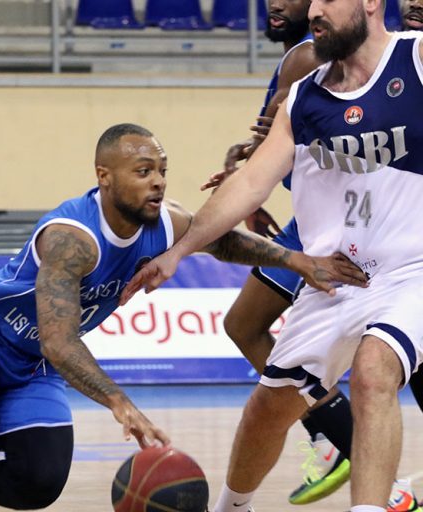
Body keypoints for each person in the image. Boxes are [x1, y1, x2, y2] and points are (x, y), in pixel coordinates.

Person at [0, 123, 367, 512]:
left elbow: (222, 240)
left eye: (162, 170)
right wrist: (119, 403)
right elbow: (59, 342)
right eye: (143, 172)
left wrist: (298, 260)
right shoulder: (71, 239)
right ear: (104, 177)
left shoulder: (166, 223)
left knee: (37, 485)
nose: (158, 182)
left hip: (32, 365)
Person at [121, 1, 423, 511]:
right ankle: (230, 508)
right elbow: (251, 185)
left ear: (371, 2)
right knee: (268, 408)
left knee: (375, 370)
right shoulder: (304, 97)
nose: (316, 10)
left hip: (411, 271)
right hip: (336, 279)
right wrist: (179, 251)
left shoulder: (415, 59)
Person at [205, 0, 356, 506]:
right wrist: (246, 160)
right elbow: (282, 138)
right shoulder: (301, 55)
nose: (275, 3)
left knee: (250, 330)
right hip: (312, 219)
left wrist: (248, 182)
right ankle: (333, 438)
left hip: (328, 227)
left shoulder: (308, 56)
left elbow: (302, 139)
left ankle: (345, 447)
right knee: (249, 330)